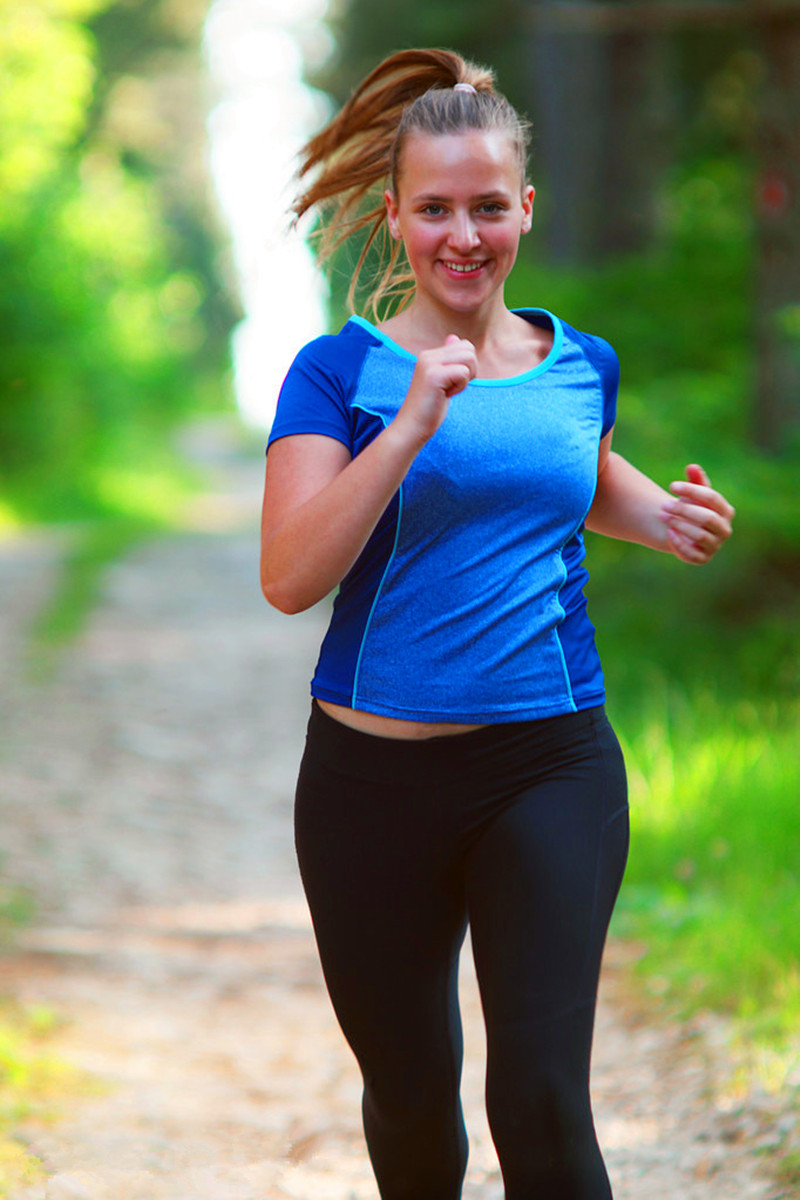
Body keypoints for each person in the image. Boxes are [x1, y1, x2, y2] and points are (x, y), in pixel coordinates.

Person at [260, 47, 734, 1200]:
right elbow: (288, 573)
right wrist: (409, 425)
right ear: (395, 216)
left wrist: (662, 515)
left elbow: (571, 469)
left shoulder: (582, 364)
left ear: (524, 207)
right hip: (369, 785)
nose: (461, 235)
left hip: (548, 761)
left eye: (485, 206)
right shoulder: (339, 373)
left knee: (538, 1098)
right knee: (415, 1106)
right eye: (434, 209)